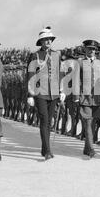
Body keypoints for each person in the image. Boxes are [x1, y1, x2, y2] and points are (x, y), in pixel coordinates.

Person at [27, 27, 65, 160]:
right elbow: (30, 75)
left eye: (50, 39)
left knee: (49, 121)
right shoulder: (35, 55)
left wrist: (62, 90)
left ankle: (44, 149)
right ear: (41, 42)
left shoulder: (56, 55)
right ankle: (48, 150)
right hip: (40, 92)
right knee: (44, 120)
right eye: (45, 39)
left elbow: (60, 73)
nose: (48, 41)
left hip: (53, 92)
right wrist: (30, 95)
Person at [73, 39, 100, 158]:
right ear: (85, 50)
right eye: (89, 49)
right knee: (87, 123)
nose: (91, 51)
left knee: (93, 123)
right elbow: (76, 80)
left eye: (93, 49)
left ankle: (86, 148)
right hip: (85, 98)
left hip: (97, 98)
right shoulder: (80, 62)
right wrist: (76, 97)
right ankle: (91, 148)